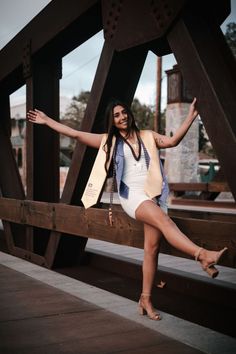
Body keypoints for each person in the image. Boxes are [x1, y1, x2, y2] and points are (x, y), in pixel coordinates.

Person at [27, 98, 227, 321]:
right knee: (165, 222)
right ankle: (202, 255)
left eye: (124, 113)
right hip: (132, 196)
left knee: (152, 249)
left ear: (130, 114)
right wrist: (47, 120)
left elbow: (172, 141)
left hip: (155, 194)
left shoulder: (148, 136)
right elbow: (75, 134)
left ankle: (145, 299)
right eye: (116, 115)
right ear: (112, 121)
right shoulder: (109, 142)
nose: (122, 117)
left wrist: (191, 116)